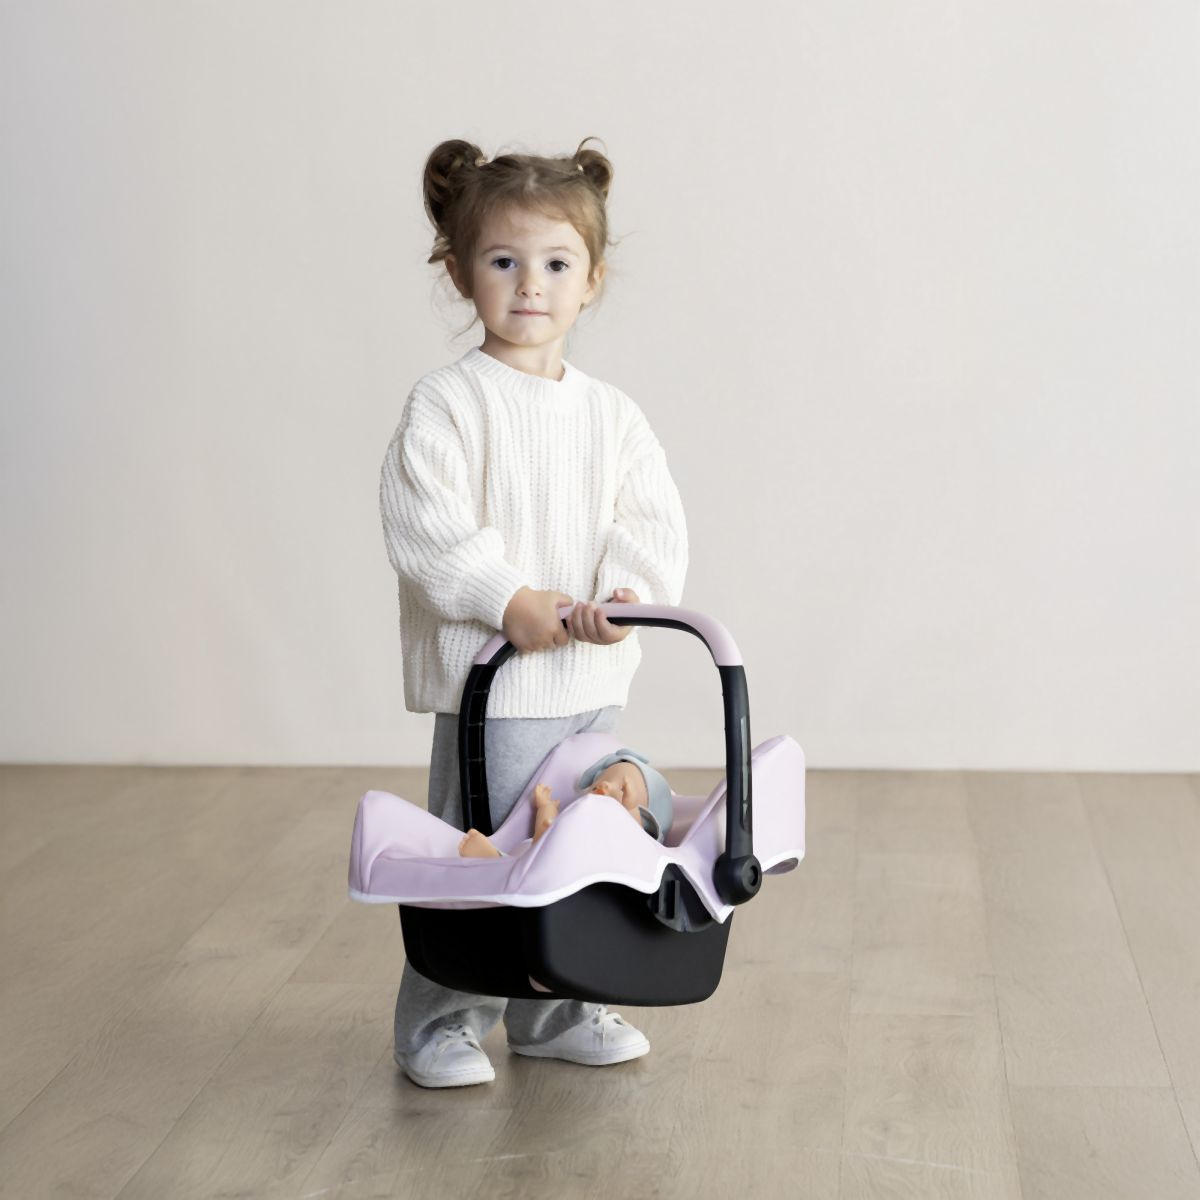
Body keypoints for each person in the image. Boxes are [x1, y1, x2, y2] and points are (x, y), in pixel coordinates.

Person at [378, 136, 688, 1088]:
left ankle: (555, 1009)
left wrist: (626, 599)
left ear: (591, 281)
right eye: (504, 261)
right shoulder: (447, 404)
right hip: (494, 690)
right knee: (484, 854)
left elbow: (649, 521)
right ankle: (443, 1019)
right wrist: (505, 600)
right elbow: (427, 524)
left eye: (556, 264)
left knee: (582, 844)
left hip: (588, 681)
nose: (529, 286)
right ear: (459, 272)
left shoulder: (613, 416)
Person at [458, 747, 676, 858]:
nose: (604, 785)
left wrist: (630, 811)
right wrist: (546, 808)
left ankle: (492, 860)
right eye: (599, 781)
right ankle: (495, 861)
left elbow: (636, 839)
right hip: (539, 852)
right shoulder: (578, 817)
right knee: (531, 853)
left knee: (537, 855)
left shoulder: (626, 838)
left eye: (622, 789)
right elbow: (550, 828)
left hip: (565, 864)